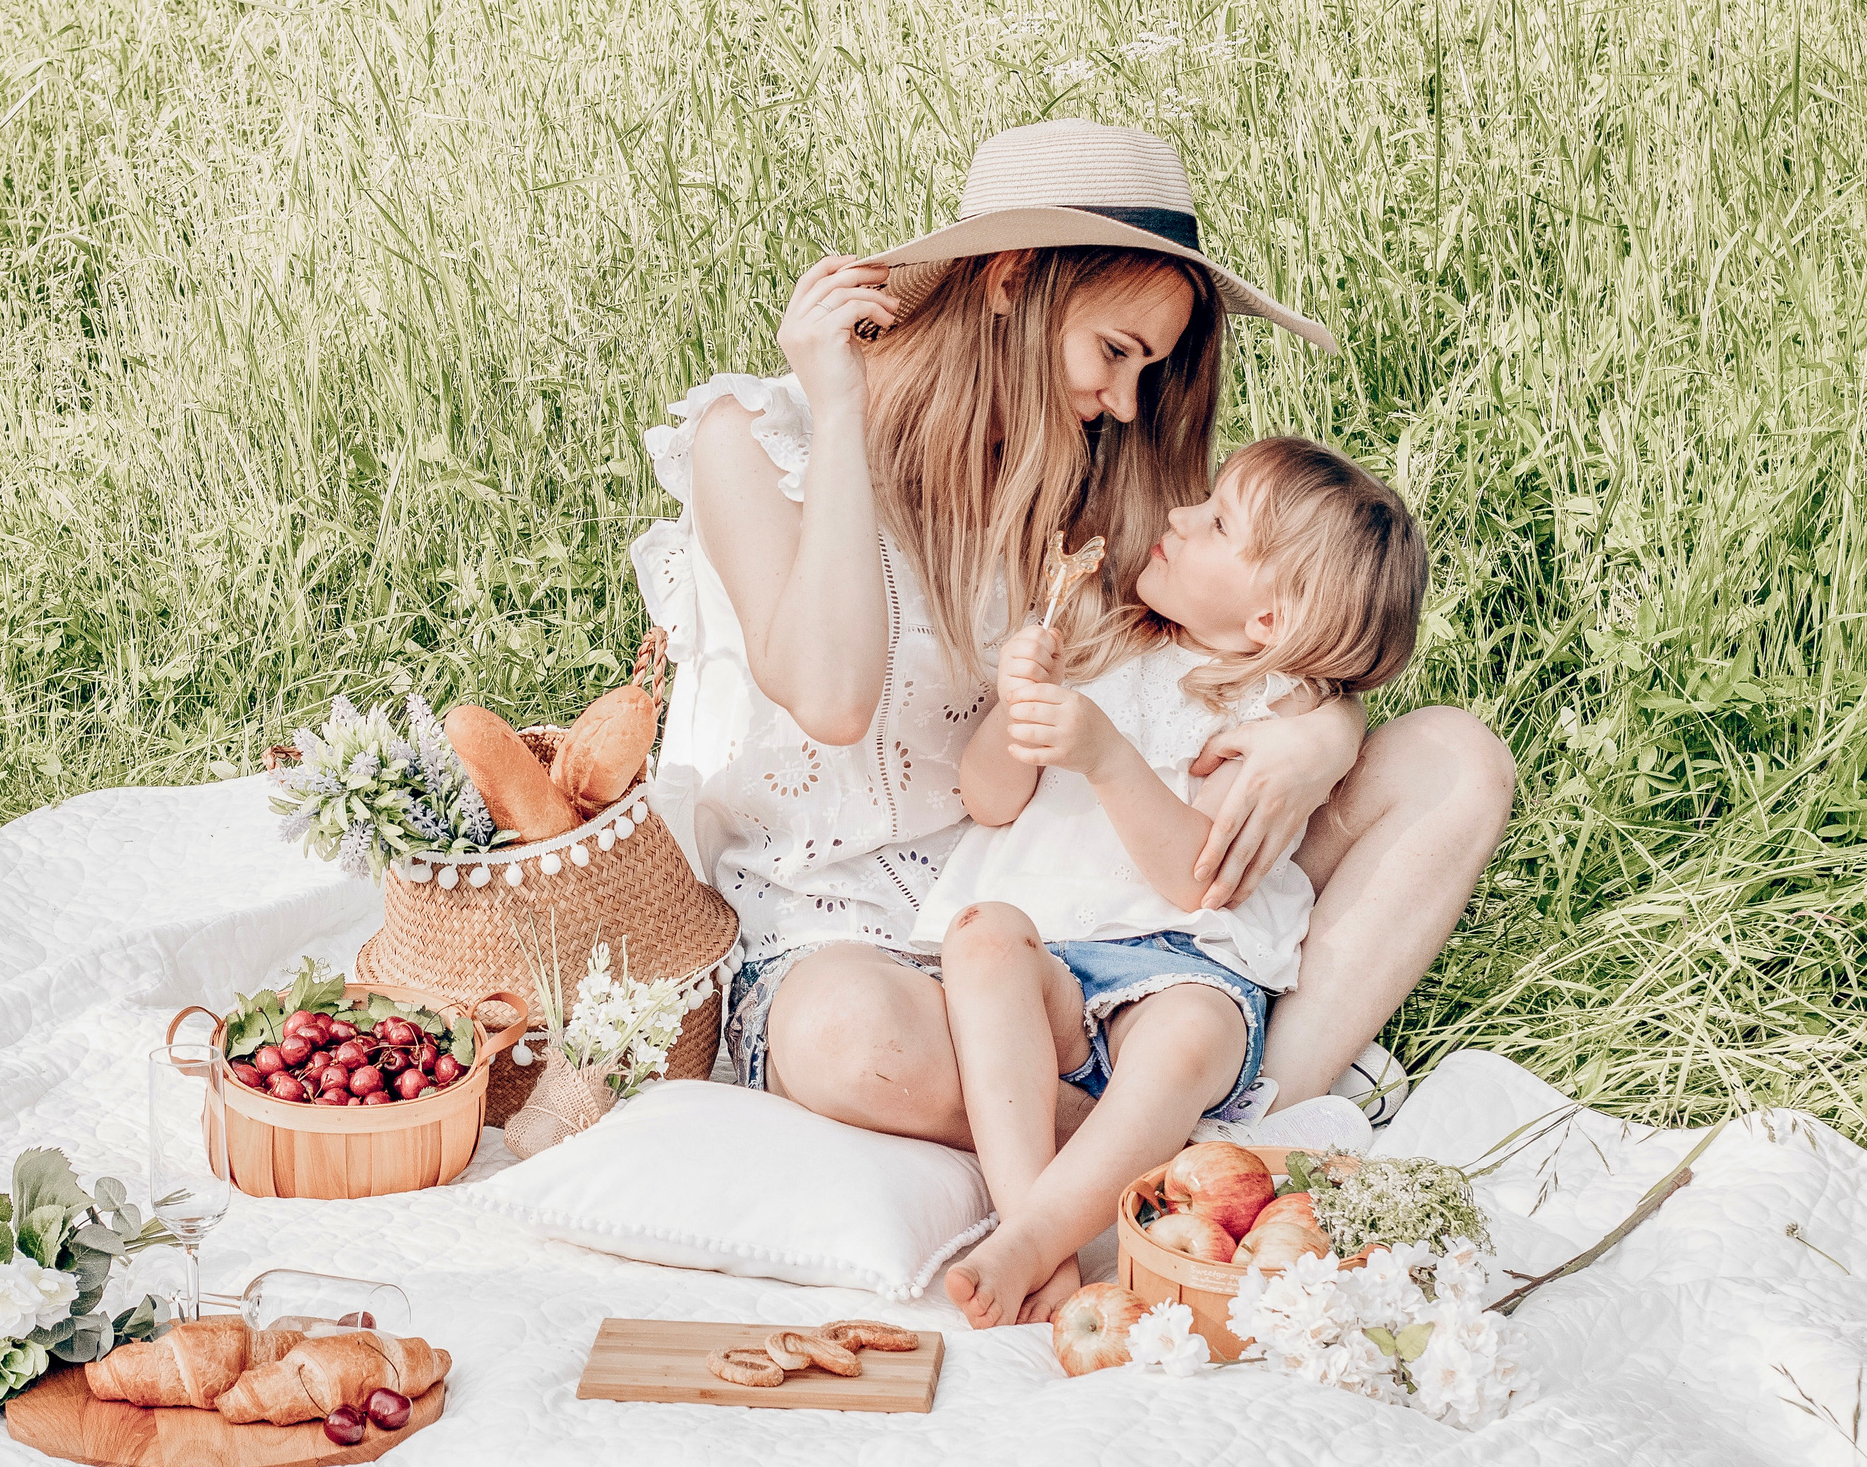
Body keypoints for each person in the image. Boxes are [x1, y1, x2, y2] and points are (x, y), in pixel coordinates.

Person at [630, 118, 1515, 1325]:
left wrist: (1322, 740)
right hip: (867, 937)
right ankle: (1168, 1152)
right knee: (843, 1039)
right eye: (1113, 349)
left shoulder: (1091, 469)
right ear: (1011, 281)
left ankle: (1230, 1103)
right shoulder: (757, 436)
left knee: (1457, 761)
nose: (1125, 397)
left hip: (1095, 893)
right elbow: (831, 692)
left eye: (1148, 367)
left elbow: (1254, 631)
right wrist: (839, 412)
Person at [907, 436, 1427, 1327]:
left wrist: (1107, 757)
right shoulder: (1102, 638)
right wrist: (1013, 708)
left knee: (1185, 1036)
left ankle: (1027, 1240)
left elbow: (1197, 879)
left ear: (1268, 622)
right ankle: (1040, 1228)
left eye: (1217, 522)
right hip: (1060, 963)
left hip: (1185, 966)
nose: (1179, 520)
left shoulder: (1274, 715)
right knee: (982, 936)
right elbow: (988, 801)